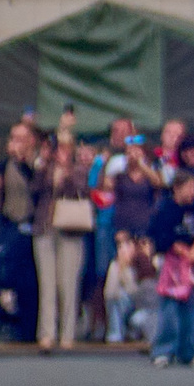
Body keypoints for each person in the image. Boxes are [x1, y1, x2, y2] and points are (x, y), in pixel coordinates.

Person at [32, 141, 92, 350]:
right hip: (45, 229)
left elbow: (83, 190)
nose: (61, 154)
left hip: (70, 229)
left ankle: (68, 334)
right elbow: (34, 190)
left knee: (68, 283)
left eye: (66, 149)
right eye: (58, 149)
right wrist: (46, 172)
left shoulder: (79, 171)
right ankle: (47, 333)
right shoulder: (44, 169)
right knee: (47, 284)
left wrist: (66, 178)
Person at [152, 200, 194, 369]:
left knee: (191, 311)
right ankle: (162, 351)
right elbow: (162, 239)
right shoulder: (166, 209)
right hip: (170, 267)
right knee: (169, 311)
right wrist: (184, 251)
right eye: (189, 187)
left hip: (191, 266)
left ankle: (188, 352)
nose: (193, 191)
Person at [104, 232, 154, 345]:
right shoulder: (115, 266)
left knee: (141, 317)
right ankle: (115, 334)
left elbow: (142, 295)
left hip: (143, 309)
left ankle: (138, 335)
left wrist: (145, 261)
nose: (123, 251)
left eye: (128, 246)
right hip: (125, 308)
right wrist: (122, 269)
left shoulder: (146, 265)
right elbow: (109, 294)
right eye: (120, 247)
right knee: (117, 297)